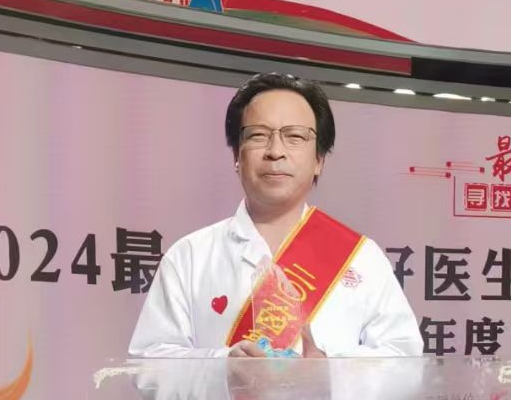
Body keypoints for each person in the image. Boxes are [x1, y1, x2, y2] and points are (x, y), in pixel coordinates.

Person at [128, 73, 423, 361]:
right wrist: (225, 366)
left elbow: (405, 360)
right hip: (224, 398)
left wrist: (330, 372)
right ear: (236, 156)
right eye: (258, 135)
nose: (276, 151)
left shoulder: (362, 258)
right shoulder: (189, 257)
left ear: (319, 159)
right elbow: (150, 366)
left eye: (295, 137)